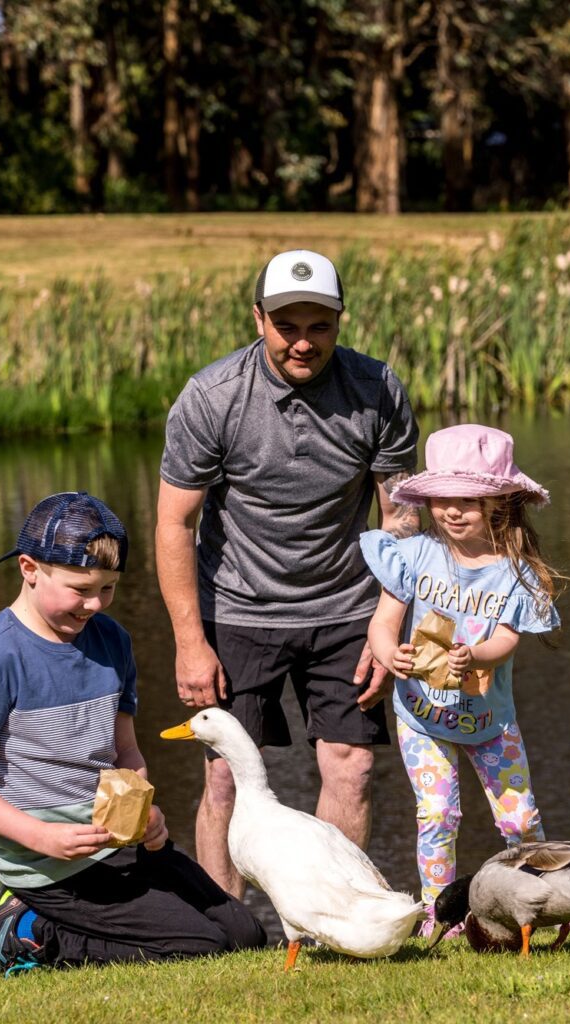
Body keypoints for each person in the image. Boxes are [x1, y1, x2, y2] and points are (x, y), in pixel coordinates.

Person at [156, 248, 419, 898]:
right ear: (259, 318)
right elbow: (174, 526)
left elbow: (403, 517)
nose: (303, 342)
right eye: (287, 325)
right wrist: (191, 643)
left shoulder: (377, 390)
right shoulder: (212, 397)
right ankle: (223, 930)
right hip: (239, 613)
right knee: (226, 776)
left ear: (339, 320)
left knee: (352, 767)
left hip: (346, 611)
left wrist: (388, 622)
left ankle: (334, 917)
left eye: (319, 325)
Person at [0, 492, 266, 980]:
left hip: (120, 846)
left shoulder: (112, 640)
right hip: (48, 867)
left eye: (108, 589)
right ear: (29, 568)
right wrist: (42, 836)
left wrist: (145, 812)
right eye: (80, 589)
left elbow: (125, 750)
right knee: (203, 946)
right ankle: (26, 929)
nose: (94, 604)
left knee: (246, 936)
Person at [361, 423, 570, 938]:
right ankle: (436, 916)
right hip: (421, 719)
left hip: (492, 722)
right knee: (438, 816)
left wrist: (474, 657)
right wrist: (389, 654)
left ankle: (560, 904)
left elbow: (505, 642)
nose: (452, 511)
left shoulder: (515, 572)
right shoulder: (413, 554)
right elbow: (383, 622)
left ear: (499, 503)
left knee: (519, 822)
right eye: (442, 498)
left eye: (468, 499)